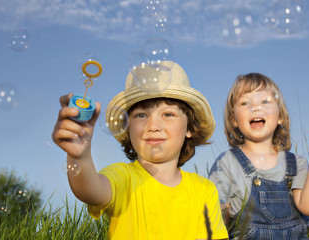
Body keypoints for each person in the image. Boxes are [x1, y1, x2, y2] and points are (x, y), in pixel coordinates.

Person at [52, 61, 228, 240]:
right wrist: (79, 156)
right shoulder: (123, 177)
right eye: (141, 115)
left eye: (168, 114)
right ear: (128, 128)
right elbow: (91, 191)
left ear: (189, 128)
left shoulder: (204, 189)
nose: (153, 125)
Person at [208, 73, 309, 239]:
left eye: (265, 102)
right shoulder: (227, 163)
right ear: (233, 119)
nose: (256, 107)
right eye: (245, 102)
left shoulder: (297, 163)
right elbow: (218, 221)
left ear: (280, 116)